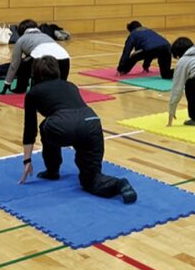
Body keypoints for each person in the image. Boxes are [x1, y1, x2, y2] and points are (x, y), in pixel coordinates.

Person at [19, 56, 137, 203]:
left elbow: (30, 129)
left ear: (35, 74)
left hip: (64, 126)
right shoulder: (70, 85)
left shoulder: (33, 93)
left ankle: (52, 170)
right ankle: (119, 184)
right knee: (90, 179)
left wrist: (27, 160)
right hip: (92, 122)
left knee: (45, 126)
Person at [2, 19, 70, 94]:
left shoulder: (21, 40)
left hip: (41, 58)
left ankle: (20, 89)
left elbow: (14, 64)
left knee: (23, 65)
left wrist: (7, 82)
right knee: (61, 87)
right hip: (64, 58)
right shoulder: (45, 35)